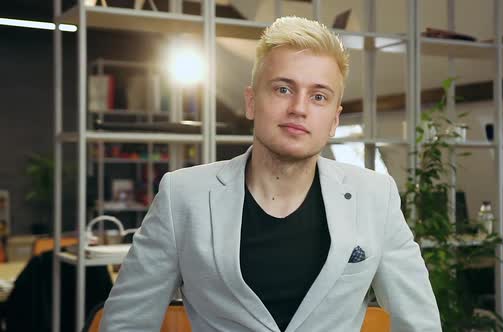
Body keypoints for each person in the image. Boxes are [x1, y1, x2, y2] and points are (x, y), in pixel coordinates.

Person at [100, 16, 441, 332]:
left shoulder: (375, 196)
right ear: (251, 102)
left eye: (318, 96)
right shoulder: (182, 195)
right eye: (283, 89)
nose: (299, 108)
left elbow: (419, 322)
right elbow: (126, 322)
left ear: (335, 120)